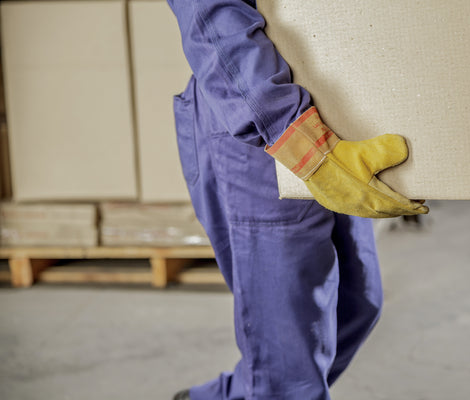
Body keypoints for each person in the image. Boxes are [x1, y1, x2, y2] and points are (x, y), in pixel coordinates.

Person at [167, 1, 428, 399]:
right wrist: (299, 139)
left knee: (356, 305)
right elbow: (211, 14)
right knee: (289, 351)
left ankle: (232, 395)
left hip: (331, 105)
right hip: (263, 122)